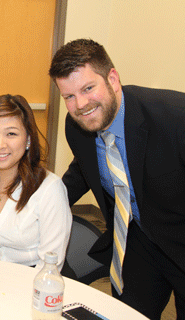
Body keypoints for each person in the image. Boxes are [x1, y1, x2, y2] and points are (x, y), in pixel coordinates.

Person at [49, 38, 185, 319]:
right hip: (138, 242)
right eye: (69, 96)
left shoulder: (174, 118)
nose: (81, 104)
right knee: (124, 314)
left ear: (113, 78)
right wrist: (40, 200)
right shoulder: (77, 127)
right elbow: (85, 168)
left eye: (88, 88)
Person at [0, 94, 72, 272]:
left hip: (35, 281)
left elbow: (50, 265)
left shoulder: (50, 188)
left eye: (11, 134)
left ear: (28, 139)